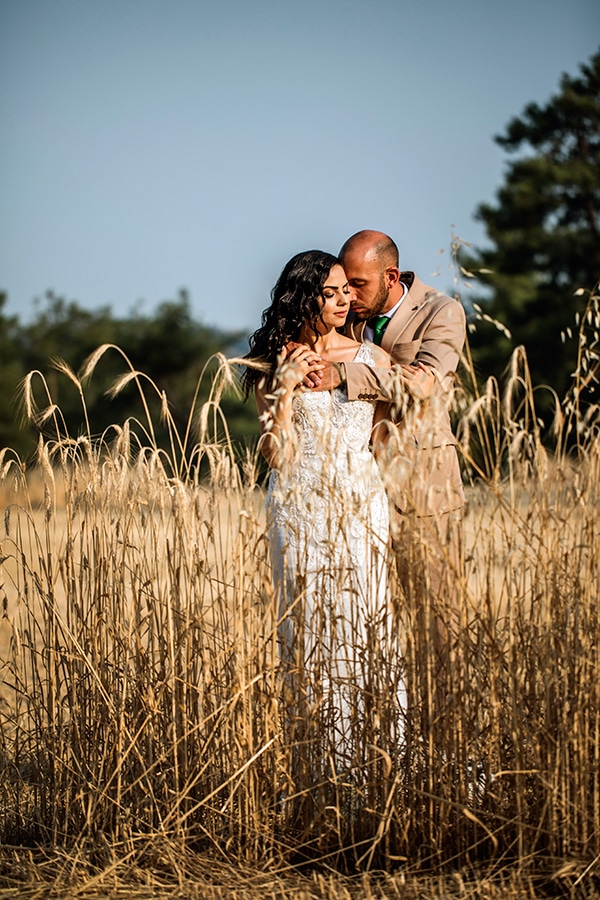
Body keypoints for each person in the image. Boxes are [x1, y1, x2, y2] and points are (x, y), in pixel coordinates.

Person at [243, 249, 404, 770]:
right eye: (329, 293)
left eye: (346, 291)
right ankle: (322, 769)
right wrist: (286, 388)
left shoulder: (371, 359)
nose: (343, 301)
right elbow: (276, 454)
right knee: (309, 630)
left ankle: (381, 761)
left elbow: (380, 440)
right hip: (298, 506)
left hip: (361, 502)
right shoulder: (281, 360)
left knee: (367, 619)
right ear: (303, 298)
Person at [305, 230, 466, 705]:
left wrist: (344, 373)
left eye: (357, 284)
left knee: (436, 630)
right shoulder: (349, 318)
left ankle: (445, 747)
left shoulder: (442, 312)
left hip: (423, 497)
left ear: (390, 276)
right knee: (365, 627)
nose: (347, 296)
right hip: (355, 500)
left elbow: (424, 383)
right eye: (340, 287)